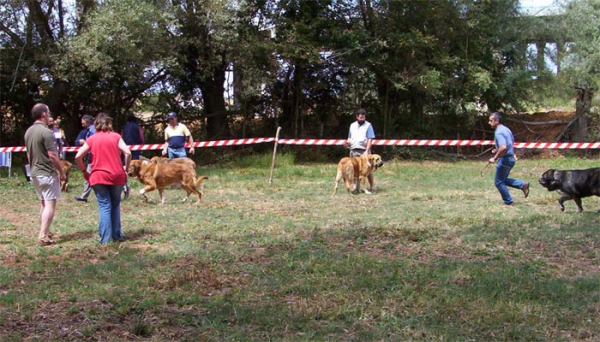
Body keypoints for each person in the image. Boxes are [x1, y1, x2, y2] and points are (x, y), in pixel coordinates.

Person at [75, 114, 131, 244]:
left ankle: (105, 239)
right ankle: (117, 235)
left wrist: (84, 171)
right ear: (109, 124)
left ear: (96, 125)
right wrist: (126, 170)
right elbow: (127, 152)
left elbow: (78, 156)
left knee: (104, 205)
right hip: (117, 174)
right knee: (115, 205)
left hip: (98, 176)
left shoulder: (92, 139)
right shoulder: (116, 136)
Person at [23, 103, 66, 246]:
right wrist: (61, 172)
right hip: (47, 172)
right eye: (48, 112)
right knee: (50, 204)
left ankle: (45, 231)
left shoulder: (28, 131)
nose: (49, 115)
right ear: (43, 114)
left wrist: (33, 169)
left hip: (35, 172)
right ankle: (43, 236)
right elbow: (53, 155)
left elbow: (29, 154)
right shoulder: (46, 132)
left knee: (43, 202)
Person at [488, 112, 530, 205]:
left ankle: (509, 201)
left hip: (505, 159)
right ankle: (522, 185)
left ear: (497, 121)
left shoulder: (498, 132)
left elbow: (503, 147)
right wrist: (497, 149)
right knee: (503, 179)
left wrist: (494, 158)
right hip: (510, 158)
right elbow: (508, 144)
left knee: (498, 182)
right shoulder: (506, 129)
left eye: (491, 121)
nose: (489, 123)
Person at [342, 108, 376, 192]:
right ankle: (355, 187)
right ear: (357, 117)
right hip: (353, 150)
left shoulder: (368, 125)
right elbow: (350, 138)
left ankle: (372, 186)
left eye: (363, 117)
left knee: (368, 170)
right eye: (361, 118)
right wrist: (347, 144)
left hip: (364, 150)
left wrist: (367, 150)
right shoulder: (352, 125)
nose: (362, 119)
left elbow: (370, 139)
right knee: (354, 169)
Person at [74, 115, 96, 202]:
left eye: (83, 123)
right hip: (91, 156)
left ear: (88, 122)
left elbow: (95, 141)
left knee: (88, 175)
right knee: (87, 176)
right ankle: (84, 197)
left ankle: (123, 187)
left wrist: (85, 142)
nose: (82, 125)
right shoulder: (88, 130)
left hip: (95, 157)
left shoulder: (92, 130)